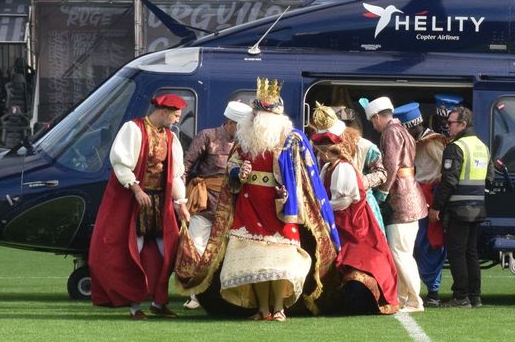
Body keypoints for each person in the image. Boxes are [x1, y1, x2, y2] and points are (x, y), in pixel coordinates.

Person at [217, 78, 340, 321]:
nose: (253, 118)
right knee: (257, 265)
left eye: (257, 114)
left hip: (280, 208)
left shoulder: (292, 139)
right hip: (249, 205)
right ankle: (263, 309)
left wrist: (293, 195)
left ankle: (279, 307)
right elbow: (232, 164)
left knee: (280, 263)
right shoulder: (244, 139)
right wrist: (237, 173)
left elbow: (306, 176)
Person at [88, 92, 190, 319]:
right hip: (135, 202)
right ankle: (135, 306)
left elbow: (175, 174)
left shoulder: (171, 138)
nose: (176, 120)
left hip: (160, 203)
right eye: (175, 115)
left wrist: (180, 203)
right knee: (134, 251)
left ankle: (158, 301)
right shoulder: (133, 129)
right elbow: (121, 164)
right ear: (164, 112)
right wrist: (136, 189)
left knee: (168, 253)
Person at [310, 108, 399, 314]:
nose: (324, 151)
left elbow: (381, 172)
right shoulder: (323, 158)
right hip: (332, 212)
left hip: (357, 209)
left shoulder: (363, 146)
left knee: (363, 251)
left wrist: (358, 184)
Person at [180, 99, 251, 309]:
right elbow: (186, 166)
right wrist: (180, 198)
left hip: (230, 204)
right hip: (203, 201)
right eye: (239, 127)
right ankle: (194, 295)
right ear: (229, 123)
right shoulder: (207, 135)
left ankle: (219, 293)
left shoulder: (244, 144)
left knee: (225, 249)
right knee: (197, 246)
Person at [367, 95, 427, 312]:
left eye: (373, 121)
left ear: (377, 117)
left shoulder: (390, 132)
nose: (373, 126)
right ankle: (403, 298)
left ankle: (414, 300)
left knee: (400, 252)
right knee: (403, 251)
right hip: (412, 196)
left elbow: (390, 165)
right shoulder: (402, 129)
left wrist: (382, 192)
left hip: (401, 199)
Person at [431, 105, 490, 308]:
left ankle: (460, 296)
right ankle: (475, 296)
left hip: (458, 208)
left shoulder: (456, 147)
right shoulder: (482, 146)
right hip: (478, 208)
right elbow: (490, 178)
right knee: (471, 252)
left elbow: (449, 181)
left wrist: (436, 207)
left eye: (450, 123)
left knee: (457, 252)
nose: (447, 127)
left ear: (463, 124)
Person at [406, 102, 448, 305]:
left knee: (431, 242)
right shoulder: (420, 140)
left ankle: (434, 289)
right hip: (420, 193)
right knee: (420, 242)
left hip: (430, 194)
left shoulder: (431, 142)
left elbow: (445, 169)